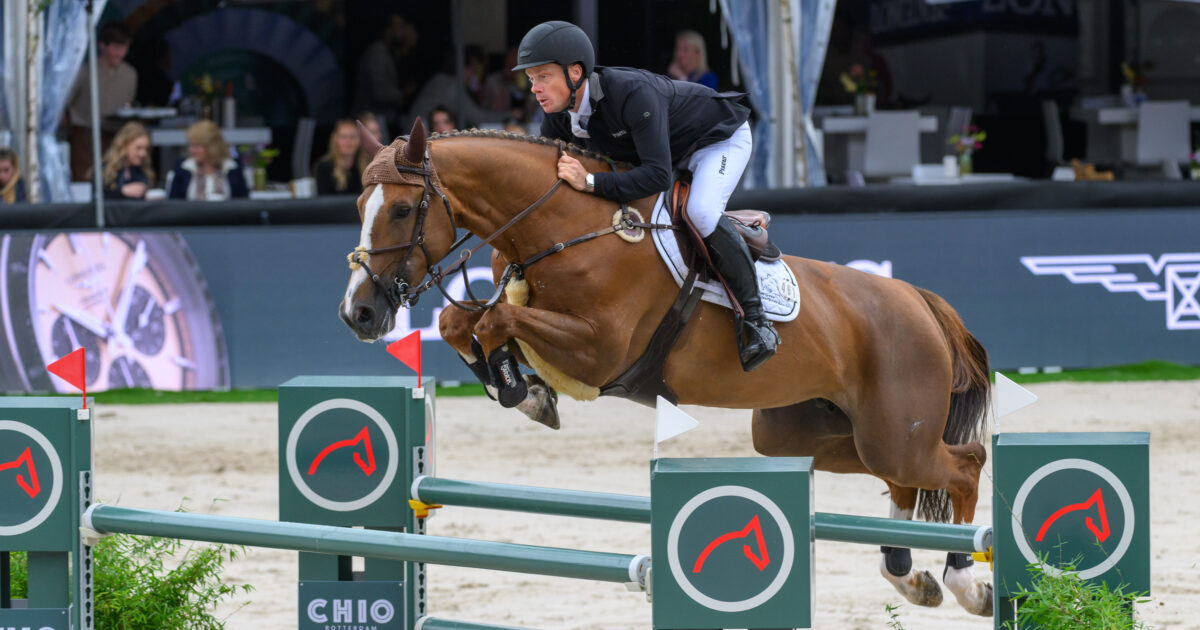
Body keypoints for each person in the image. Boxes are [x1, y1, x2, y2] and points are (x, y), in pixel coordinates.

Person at [514, 21, 778, 371]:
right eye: (531, 79)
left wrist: (591, 183)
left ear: (574, 72)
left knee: (699, 213)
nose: (535, 88)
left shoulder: (631, 93)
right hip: (668, 154)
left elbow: (654, 175)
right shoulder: (557, 121)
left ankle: (757, 322)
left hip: (717, 140)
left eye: (543, 76)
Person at [66, 22, 138, 181]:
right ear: (102, 46)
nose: (121, 53)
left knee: (113, 179)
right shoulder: (84, 71)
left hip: (115, 136)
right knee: (84, 178)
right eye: (116, 48)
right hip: (84, 136)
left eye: (124, 48)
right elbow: (66, 103)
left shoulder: (130, 74)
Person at [353, 13, 419, 137]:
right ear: (388, 30)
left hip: (383, 121)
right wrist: (402, 94)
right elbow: (379, 91)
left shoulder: (389, 53)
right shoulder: (377, 53)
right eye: (400, 27)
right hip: (373, 121)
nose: (403, 32)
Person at [165, 120, 248, 200]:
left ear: (212, 147)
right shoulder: (183, 167)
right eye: (191, 145)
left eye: (197, 146)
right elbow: (174, 202)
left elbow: (243, 202)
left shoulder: (232, 167)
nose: (192, 150)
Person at [99, 122, 155, 200]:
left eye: (146, 149)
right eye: (138, 148)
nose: (143, 153)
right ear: (124, 145)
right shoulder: (105, 169)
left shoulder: (143, 170)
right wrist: (121, 191)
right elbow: (99, 198)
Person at [314, 119, 367, 195]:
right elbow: (324, 203)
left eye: (353, 137)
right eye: (343, 137)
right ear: (335, 140)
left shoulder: (367, 165)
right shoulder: (324, 167)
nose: (348, 141)